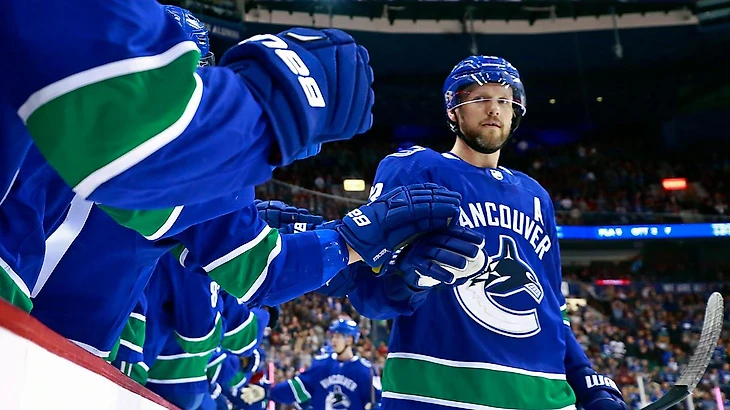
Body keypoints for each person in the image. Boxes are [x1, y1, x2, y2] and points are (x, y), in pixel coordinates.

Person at [318, 56, 629, 410]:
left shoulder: (536, 195)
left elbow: (552, 311)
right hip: (439, 395)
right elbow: (369, 297)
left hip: (544, 397)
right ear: (454, 110)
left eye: (504, 100)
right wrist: (411, 278)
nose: (494, 109)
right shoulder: (416, 168)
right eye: (480, 98)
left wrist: (587, 380)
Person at [270, 319, 382, 410]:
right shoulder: (321, 364)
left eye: (338, 336)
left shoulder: (365, 370)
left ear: (349, 340)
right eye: (333, 336)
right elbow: (296, 388)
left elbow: (379, 400)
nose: (333, 340)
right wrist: (269, 392)